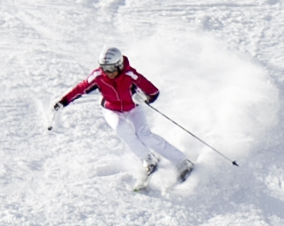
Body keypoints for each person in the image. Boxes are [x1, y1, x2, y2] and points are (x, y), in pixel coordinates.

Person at [55, 47, 189, 186]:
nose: (108, 72)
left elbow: (153, 91)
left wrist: (144, 98)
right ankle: (148, 159)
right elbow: (79, 89)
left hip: (133, 108)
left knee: (145, 135)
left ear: (119, 65)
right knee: (121, 129)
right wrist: (63, 101)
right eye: (104, 68)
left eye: (111, 68)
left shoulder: (130, 75)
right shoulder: (98, 76)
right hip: (111, 109)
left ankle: (181, 161)